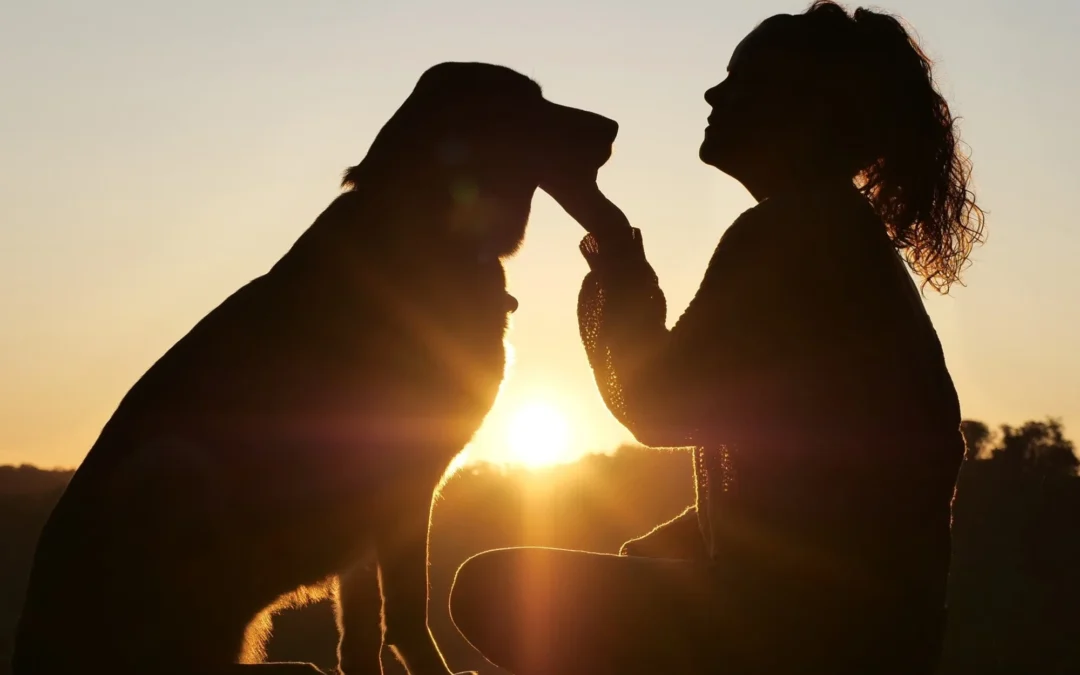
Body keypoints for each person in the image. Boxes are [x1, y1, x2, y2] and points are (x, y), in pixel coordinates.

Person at [449, 2, 985, 674]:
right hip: (868, 639)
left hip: (800, 640)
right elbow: (803, 492)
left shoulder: (791, 234)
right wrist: (651, 554)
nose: (714, 93)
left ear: (802, 108)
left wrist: (611, 239)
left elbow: (653, 403)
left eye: (742, 77)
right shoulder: (836, 236)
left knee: (488, 587)